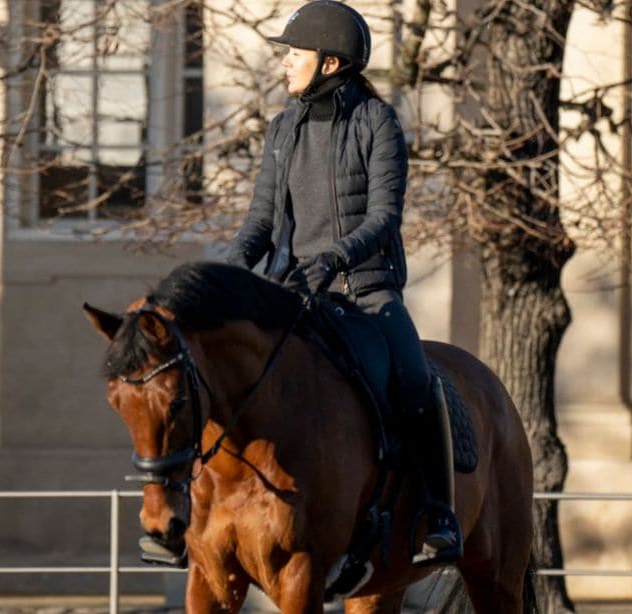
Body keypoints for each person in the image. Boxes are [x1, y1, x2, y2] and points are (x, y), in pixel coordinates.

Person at [225, 0, 461, 567]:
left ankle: (438, 514)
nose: (284, 65)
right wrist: (226, 274)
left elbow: (383, 216)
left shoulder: (377, 123)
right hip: (294, 294)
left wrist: (334, 257)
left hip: (365, 291)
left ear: (330, 64)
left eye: (294, 55)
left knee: (415, 380)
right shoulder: (281, 130)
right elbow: (261, 222)